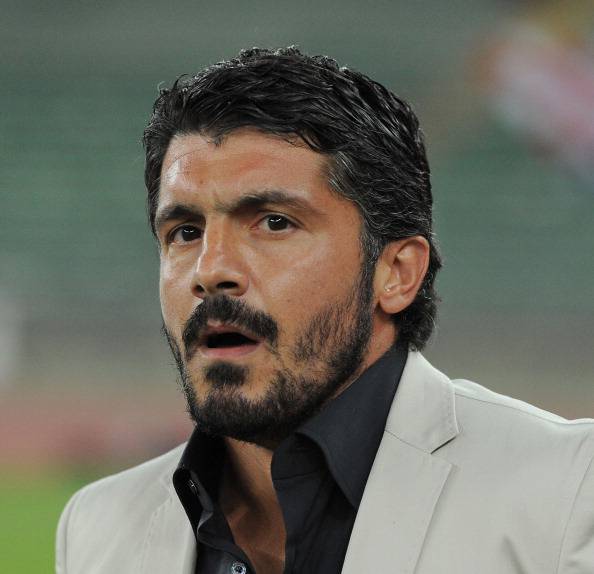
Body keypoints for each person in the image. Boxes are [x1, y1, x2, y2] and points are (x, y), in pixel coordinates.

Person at [55, 47, 594, 574]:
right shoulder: (97, 529)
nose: (210, 269)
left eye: (274, 222)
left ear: (396, 273)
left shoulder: (569, 491)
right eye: (185, 232)